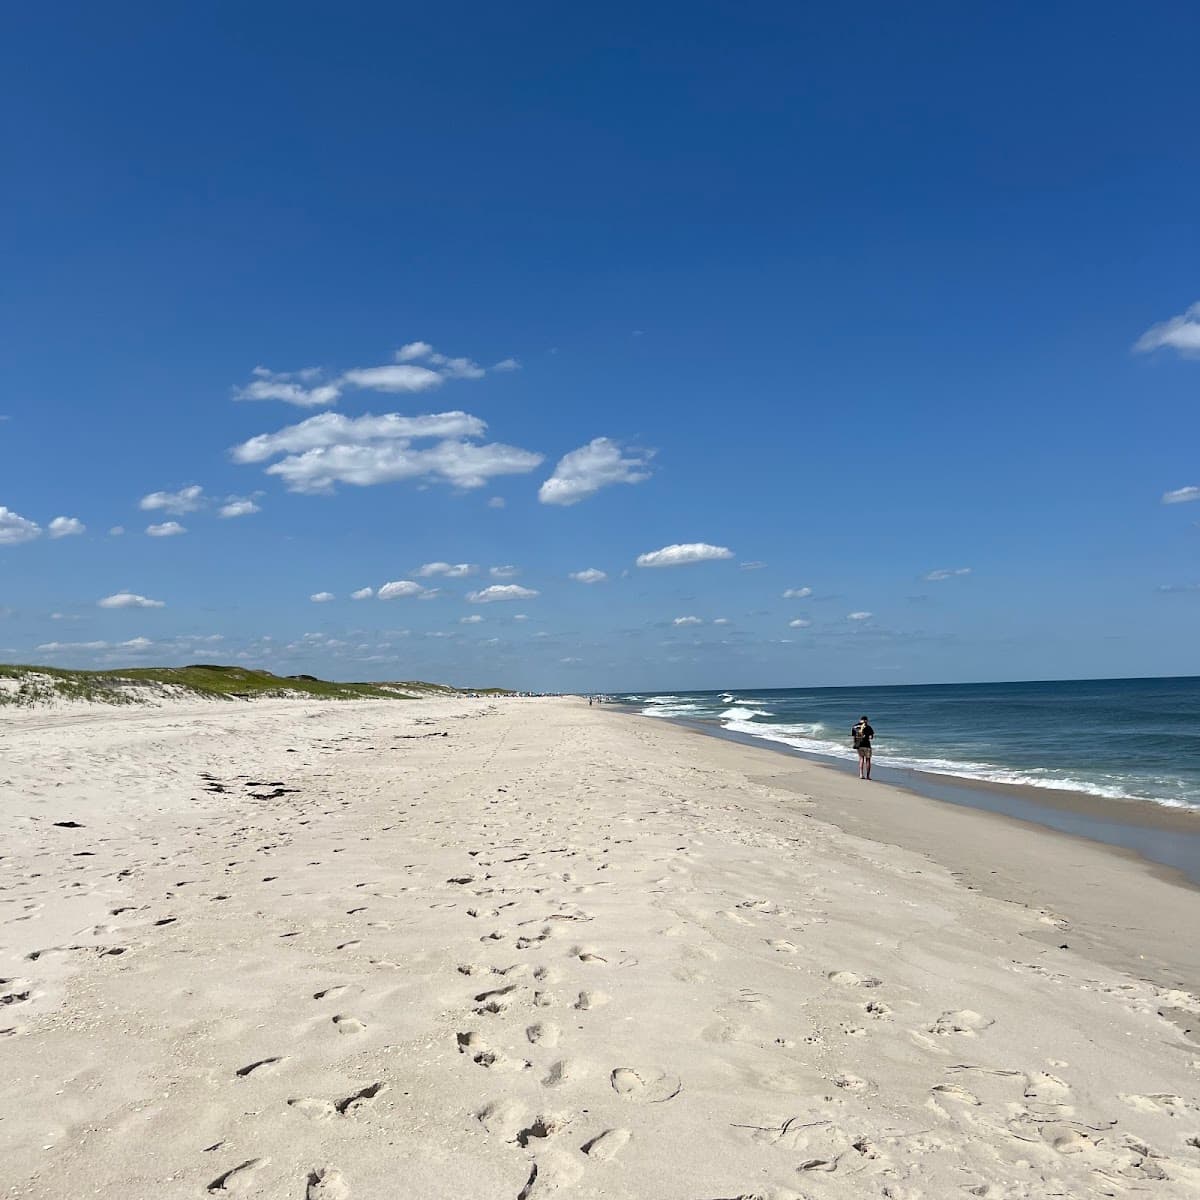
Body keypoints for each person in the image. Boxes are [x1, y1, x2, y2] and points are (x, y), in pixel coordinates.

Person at [851, 714, 875, 780]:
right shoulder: (868, 727)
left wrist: (855, 744)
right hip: (867, 745)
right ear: (866, 720)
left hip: (859, 745)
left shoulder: (854, 726)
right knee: (868, 760)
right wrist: (868, 736)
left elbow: (853, 736)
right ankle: (868, 776)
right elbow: (871, 737)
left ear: (860, 720)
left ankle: (861, 774)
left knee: (861, 759)